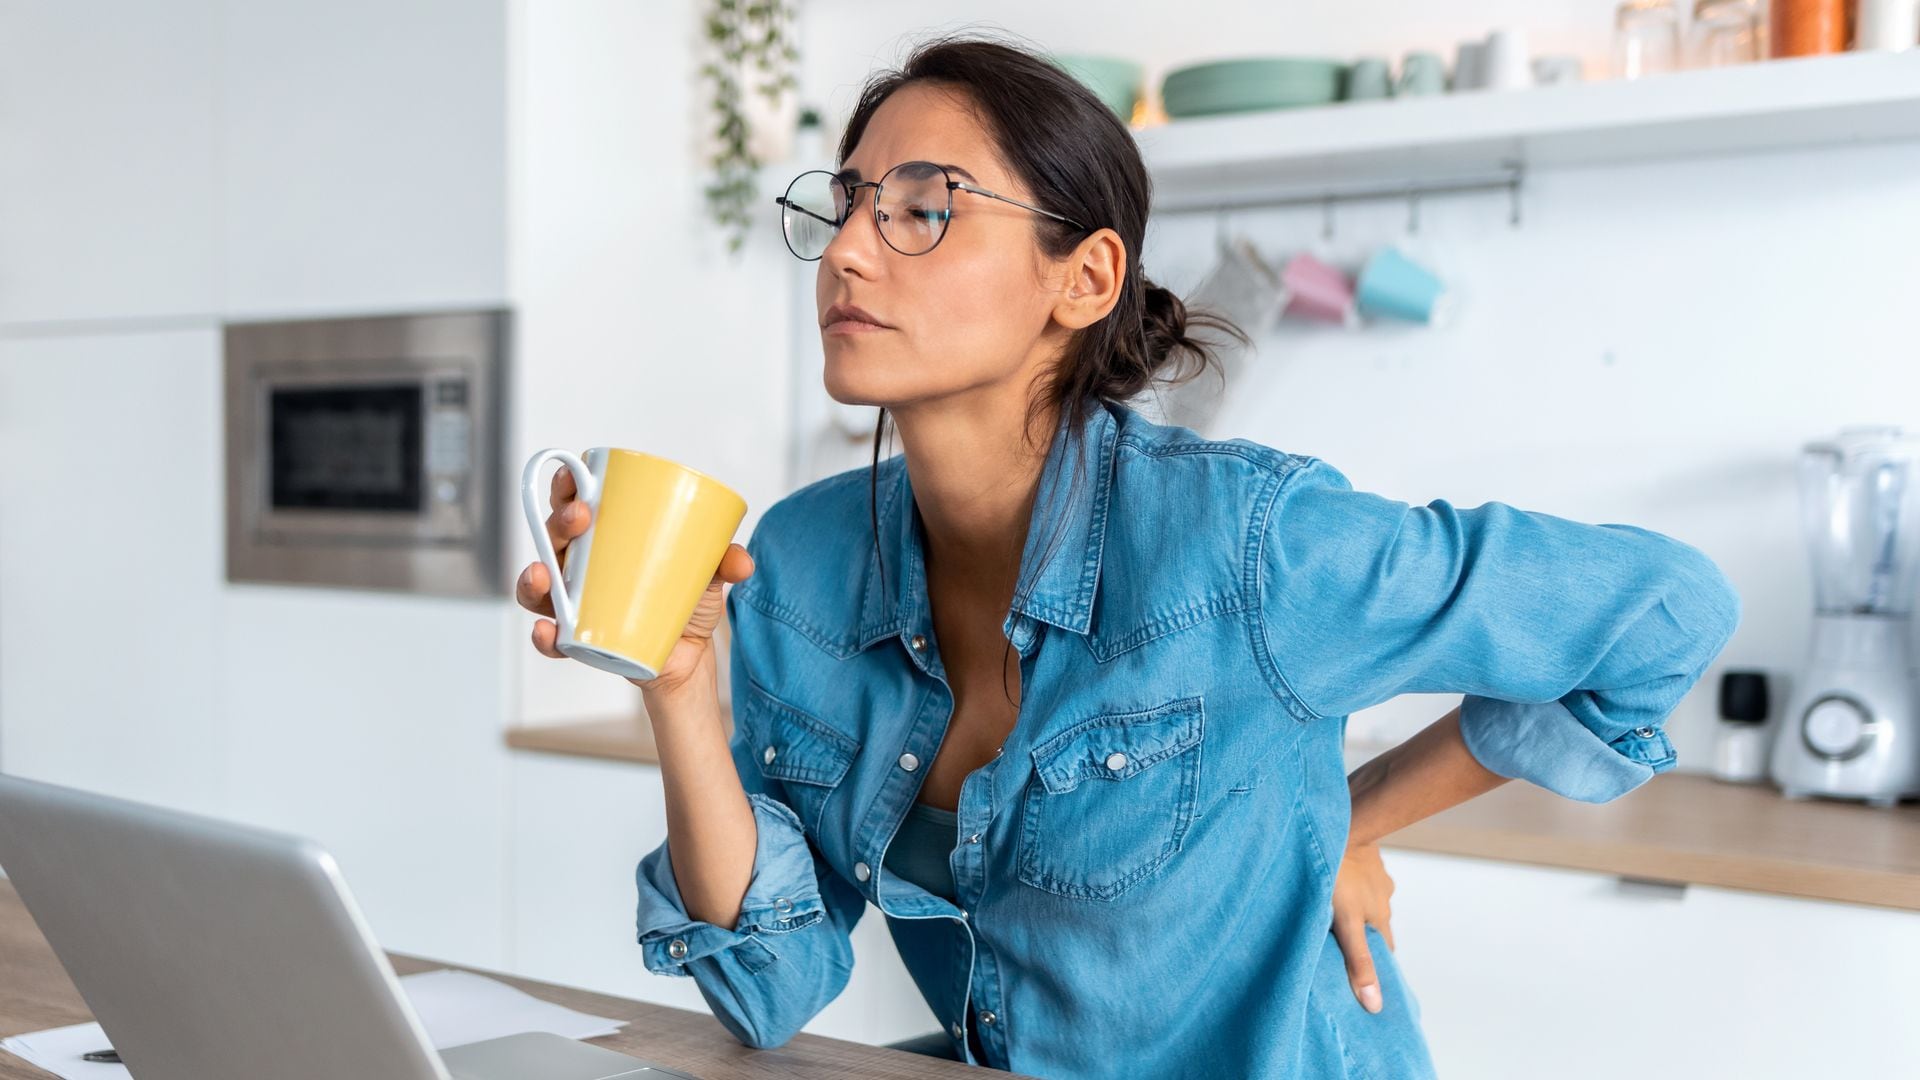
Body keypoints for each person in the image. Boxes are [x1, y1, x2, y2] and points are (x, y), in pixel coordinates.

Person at [514, 31, 1742, 1078]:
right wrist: (679, 687)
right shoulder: (802, 562)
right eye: (844, 204)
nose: (846, 251)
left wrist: (1350, 825)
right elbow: (769, 983)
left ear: (1085, 276)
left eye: (925, 207)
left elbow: (1664, 610)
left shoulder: (1248, 546)